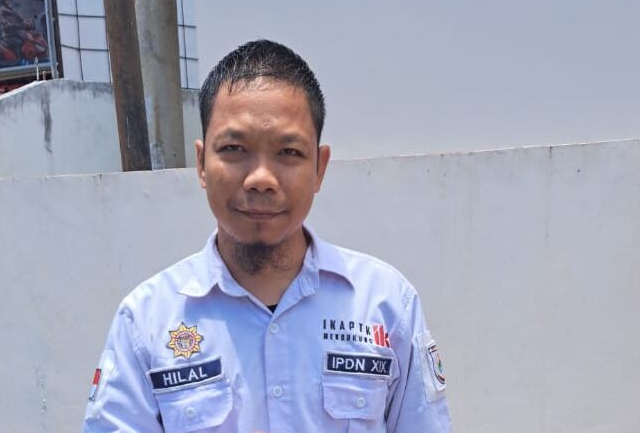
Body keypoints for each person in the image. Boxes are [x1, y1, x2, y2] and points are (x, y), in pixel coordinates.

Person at [83, 39, 452, 432]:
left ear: (319, 168)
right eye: (234, 148)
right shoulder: (146, 322)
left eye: (289, 152)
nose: (261, 179)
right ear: (201, 163)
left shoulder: (385, 304)